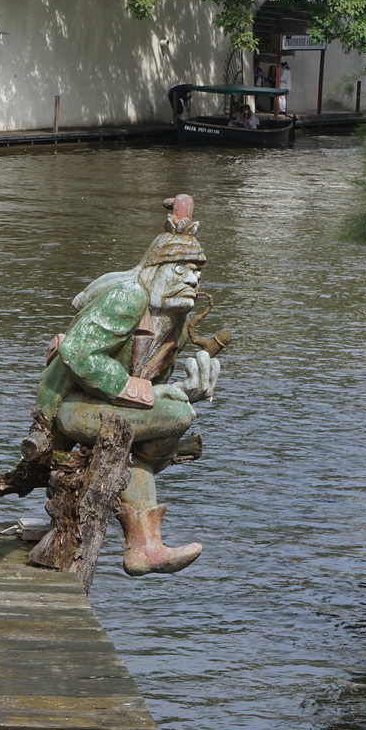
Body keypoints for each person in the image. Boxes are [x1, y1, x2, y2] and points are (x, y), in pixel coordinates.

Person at [36, 194, 221, 577]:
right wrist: (145, 392)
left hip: (109, 407)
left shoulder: (177, 319)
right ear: (155, 269)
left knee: (169, 417)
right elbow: (77, 352)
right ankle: (143, 544)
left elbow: (155, 382)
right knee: (175, 415)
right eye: (181, 269)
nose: (192, 279)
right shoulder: (129, 296)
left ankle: (145, 547)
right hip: (70, 403)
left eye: (197, 272)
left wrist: (188, 388)